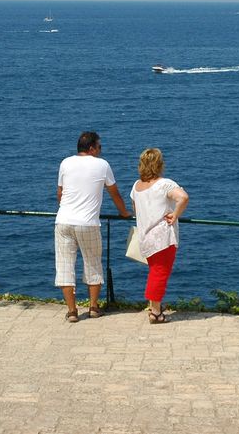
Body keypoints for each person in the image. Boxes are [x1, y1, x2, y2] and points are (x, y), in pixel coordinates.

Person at [55, 131, 132, 322]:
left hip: (63, 220)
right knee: (93, 264)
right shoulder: (102, 165)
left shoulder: (65, 162)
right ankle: (93, 307)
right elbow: (115, 194)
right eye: (99, 146)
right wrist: (124, 213)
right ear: (91, 148)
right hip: (88, 223)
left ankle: (72, 311)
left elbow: (60, 194)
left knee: (65, 266)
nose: (101, 150)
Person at [129, 148, 189, 324]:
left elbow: (135, 210)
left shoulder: (136, 186)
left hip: (145, 236)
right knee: (160, 273)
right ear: (159, 164)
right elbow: (183, 198)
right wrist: (175, 214)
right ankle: (155, 312)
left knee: (154, 272)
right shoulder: (165, 184)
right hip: (163, 237)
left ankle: (154, 306)